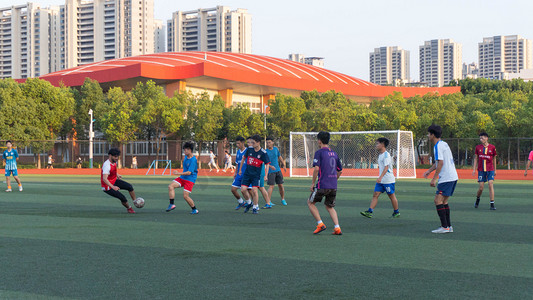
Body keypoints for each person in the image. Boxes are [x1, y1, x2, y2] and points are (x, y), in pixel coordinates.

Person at [423, 125, 458, 234]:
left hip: (446, 178)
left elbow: (441, 163)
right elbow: (438, 162)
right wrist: (429, 170)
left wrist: (434, 179)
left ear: (432, 135)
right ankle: (448, 226)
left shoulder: (438, 146)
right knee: (444, 201)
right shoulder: (444, 144)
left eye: (429, 134)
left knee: (437, 201)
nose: (428, 136)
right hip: (453, 177)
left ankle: (444, 227)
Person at [308, 131, 343, 235]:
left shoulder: (319, 152)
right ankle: (337, 228)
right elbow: (340, 170)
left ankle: (320, 224)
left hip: (322, 184)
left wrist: (313, 183)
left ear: (319, 141)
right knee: (330, 206)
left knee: (310, 203)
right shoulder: (334, 153)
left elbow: (316, 169)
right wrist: (334, 180)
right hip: (333, 185)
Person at [360, 137, 400, 218]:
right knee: (375, 194)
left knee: (391, 196)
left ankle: (396, 212)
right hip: (381, 180)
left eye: (377, 143)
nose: (376, 145)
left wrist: (380, 177)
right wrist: (380, 178)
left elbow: (386, 168)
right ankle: (370, 211)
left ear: (382, 144)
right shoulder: (381, 155)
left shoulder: (386, 155)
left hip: (388, 180)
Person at [238, 135, 270, 214]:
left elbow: (267, 164)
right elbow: (243, 159)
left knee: (255, 191)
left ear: (258, 143)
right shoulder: (249, 149)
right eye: (251, 142)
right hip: (247, 174)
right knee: (243, 190)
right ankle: (249, 203)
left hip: (256, 175)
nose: (251, 144)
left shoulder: (263, 153)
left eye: (253, 142)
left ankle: (255, 207)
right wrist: (240, 170)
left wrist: (266, 175)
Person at [101, 148, 137, 213]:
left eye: (117, 156)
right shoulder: (107, 165)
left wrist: (117, 175)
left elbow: (112, 171)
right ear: (110, 155)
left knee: (129, 186)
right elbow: (104, 179)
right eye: (115, 156)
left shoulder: (114, 162)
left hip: (114, 181)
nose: (116, 158)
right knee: (122, 197)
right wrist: (113, 187)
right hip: (107, 187)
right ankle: (129, 208)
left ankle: (135, 201)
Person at [167, 142, 199, 214]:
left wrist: (177, 173)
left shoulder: (193, 160)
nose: (184, 152)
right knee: (170, 186)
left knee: (185, 196)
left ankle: (194, 209)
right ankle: (172, 204)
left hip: (190, 179)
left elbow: (189, 172)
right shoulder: (185, 157)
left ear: (190, 150)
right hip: (182, 178)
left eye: (185, 150)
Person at [472, 132, 497, 210]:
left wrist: (495, 170)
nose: (481, 139)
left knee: (490, 184)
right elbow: (476, 158)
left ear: (487, 138)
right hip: (481, 170)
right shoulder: (478, 147)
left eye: (482, 138)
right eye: (480, 138)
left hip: (490, 169)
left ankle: (492, 204)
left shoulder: (492, 147)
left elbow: (494, 159)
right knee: (481, 188)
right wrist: (473, 169)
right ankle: (478, 199)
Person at [266, 137, 287, 206]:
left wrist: (284, 165)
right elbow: (265, 162)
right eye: (267, 142)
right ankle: (268, 201)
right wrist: (270, 166)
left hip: (278, 170)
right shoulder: (265, 152)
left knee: (280, 185)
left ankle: (283, 199)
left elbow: (279, 157)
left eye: (269, 142)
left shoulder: (275, 149)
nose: (268, 144)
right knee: (271, 186)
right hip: (270, 171)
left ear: (272, 143)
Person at [232, 137, 251, 210]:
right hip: (239, 174)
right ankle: (241, 202)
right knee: (233, 189)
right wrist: (235, 173)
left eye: (238, 143)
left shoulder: (248, 151)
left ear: (243, 143)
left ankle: (254, 205)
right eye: (236, 143)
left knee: (250, 190)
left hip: (246, 174)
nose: (237, 145)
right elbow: (237, 163)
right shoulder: (238, 152)